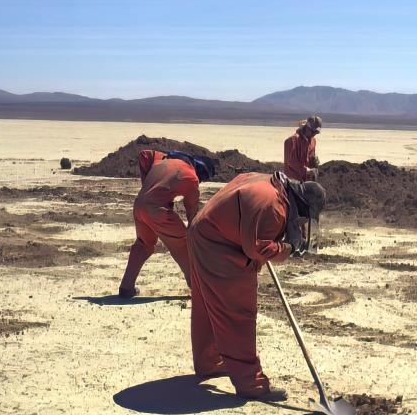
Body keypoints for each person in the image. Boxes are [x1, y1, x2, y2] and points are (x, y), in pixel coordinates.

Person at [187, 171, 326, 399]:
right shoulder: (274, 206)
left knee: (207, 305)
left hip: (202, 233)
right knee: (237, 314)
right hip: (219, 249)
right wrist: (286, 249)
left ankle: (209, 362)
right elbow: (256, 248)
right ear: (300, 204)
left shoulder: (269, 183)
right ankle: (251, 384)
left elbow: (248, 224)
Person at [118, 149, 217, 298]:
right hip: (157, 211)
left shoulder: (162, 160)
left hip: (139, 205)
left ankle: (126, 287)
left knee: (143, 245)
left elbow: (144, 155)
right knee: (183, 245)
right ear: (202, 171)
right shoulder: (191, 178)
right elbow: (192, 216)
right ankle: (199, 290)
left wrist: (148, 187)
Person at [283, 116, 322, 181]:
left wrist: (314, 163)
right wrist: (306, 170)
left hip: (306, 180)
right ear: (306, 127)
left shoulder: (313, 141)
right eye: (312, 131)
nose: (314, 134)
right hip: (292, 181)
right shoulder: (291, 141)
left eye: (316, 132)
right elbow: (291, 162)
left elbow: (310, 159)